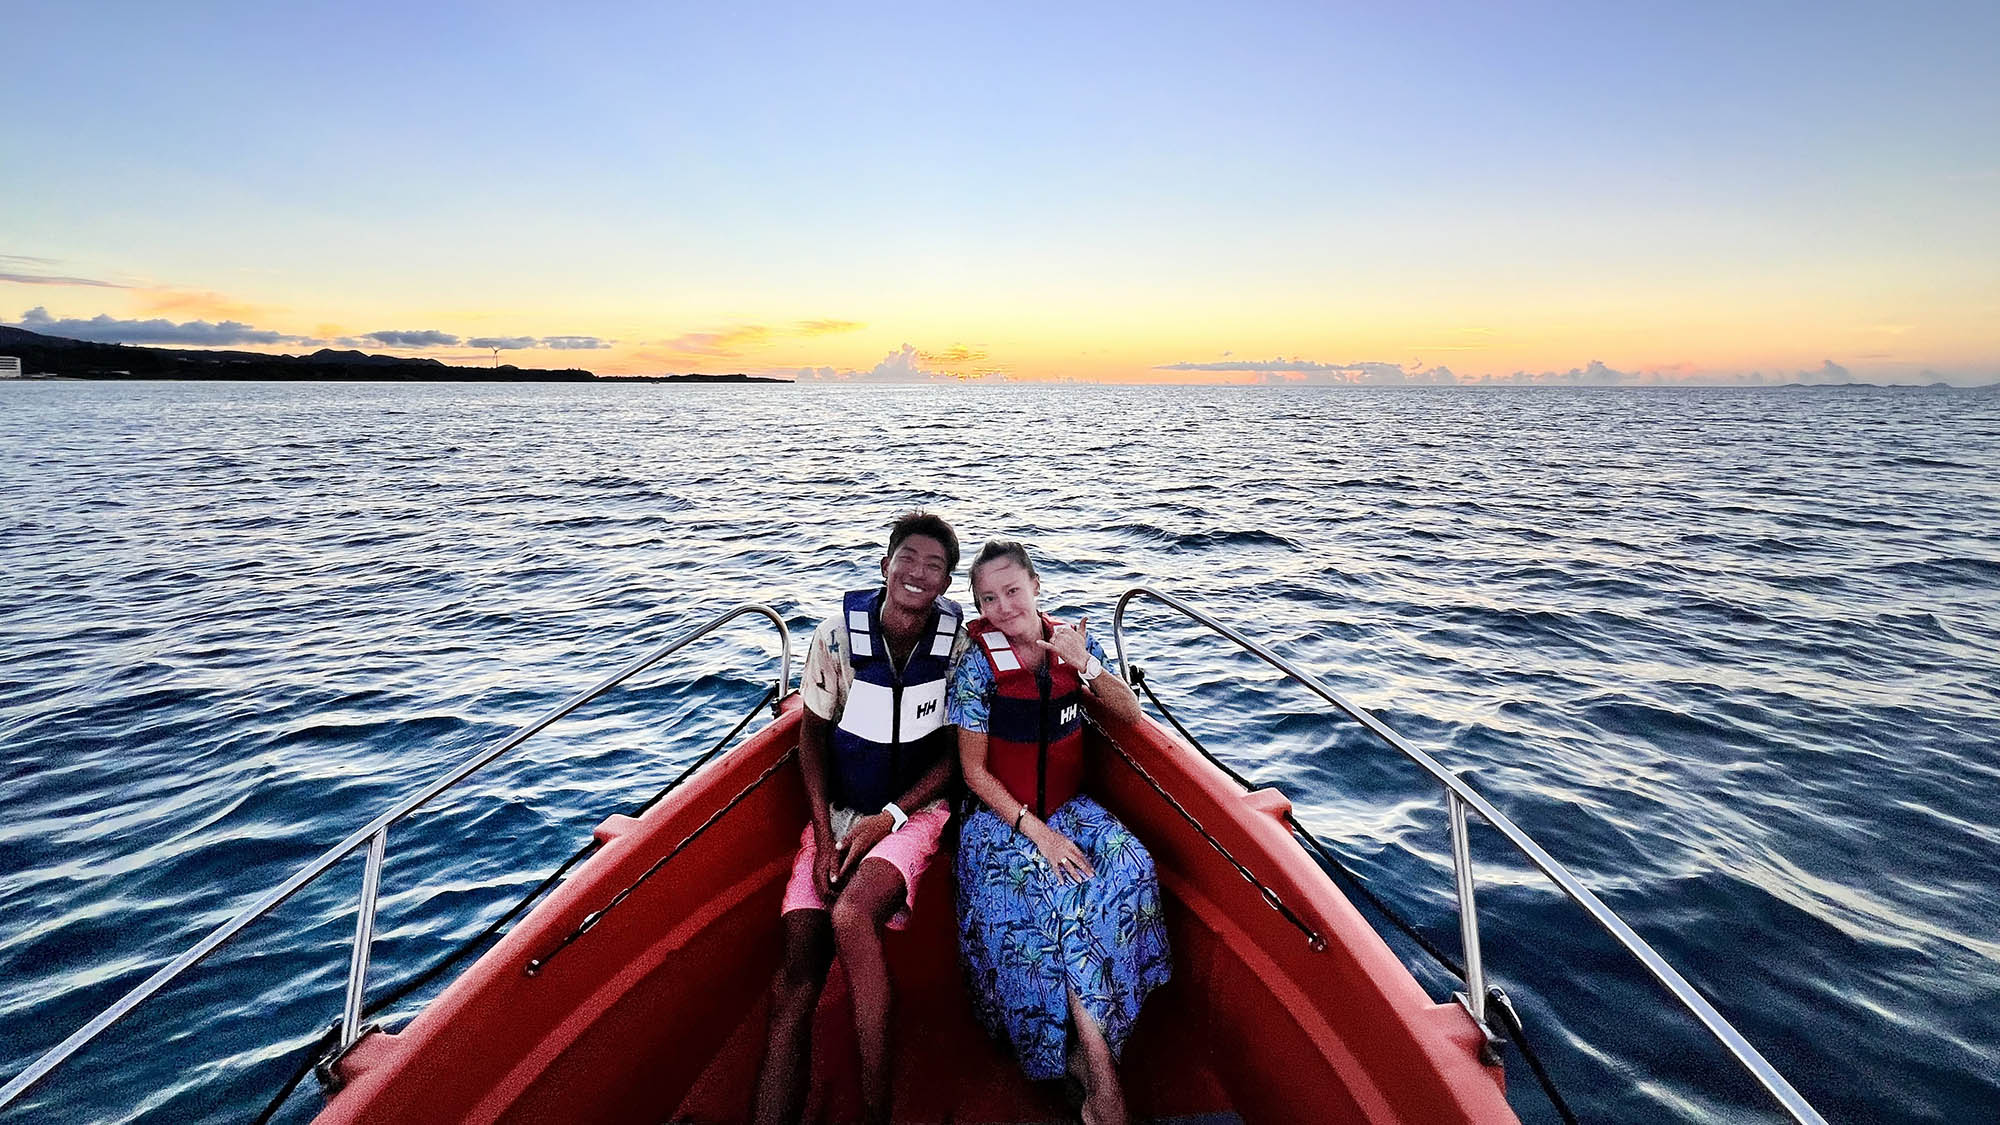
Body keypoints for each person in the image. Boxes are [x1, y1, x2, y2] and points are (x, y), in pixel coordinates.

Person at [752, 511, 970, 1125]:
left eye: (935, 566)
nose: (919, 574)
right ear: (885, 565)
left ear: (947, 584)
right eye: (909, 558)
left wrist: (892, 817)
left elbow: (958, 753)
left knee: (851, 914)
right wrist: (825, 838)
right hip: (840, 814)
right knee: (795, 977)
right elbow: (811, 740)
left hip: (917, 812)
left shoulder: (956, 645)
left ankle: (876, 1113)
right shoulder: (837, 639)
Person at [948, 540, 1171, 1125]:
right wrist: (1035, 833)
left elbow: (1130, 714)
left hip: (1071, 808)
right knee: (1049, 906)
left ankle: (1099, 1044)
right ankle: (1101, 1079)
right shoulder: (977, 666)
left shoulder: (1074, 644)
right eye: (987, 598)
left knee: (1131, 866)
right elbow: (973, 772)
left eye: (1012, 591)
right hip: (1002, 819)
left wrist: (1088, 663)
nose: (1002, 607)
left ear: (1037, 586)